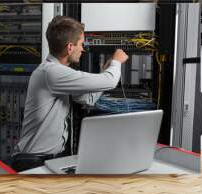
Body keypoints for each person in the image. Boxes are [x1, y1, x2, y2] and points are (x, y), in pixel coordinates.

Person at [12, 16, 129, 171]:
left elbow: (88, 99)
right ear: (69, 47)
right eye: (81, 44)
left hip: (48, 159)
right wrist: (116, 62)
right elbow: (110, 81)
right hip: (33, 162)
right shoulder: (51, 72)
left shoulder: (58, 74)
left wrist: (106, 70)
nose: (83, 49)